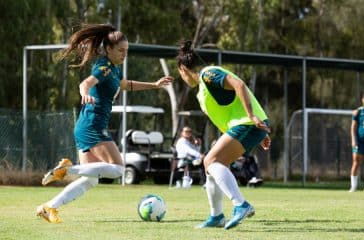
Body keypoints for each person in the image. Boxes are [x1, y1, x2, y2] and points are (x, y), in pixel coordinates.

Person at [36, 23, 173, 223]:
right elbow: (86, 83)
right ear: (108, 49)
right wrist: (84, 94)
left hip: (86, 125)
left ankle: (49, 207)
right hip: (92, 125)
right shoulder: (103, 67)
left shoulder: (114, 69)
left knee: (90, 179)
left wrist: (154, 85)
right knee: (118, 168)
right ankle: (66, 170)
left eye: (126, 51)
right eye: (120, 50)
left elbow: (125, 85)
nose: (124, 54)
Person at [176, 40, 271, 230]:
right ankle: (216, 216)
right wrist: (259, 131)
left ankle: (240, 205)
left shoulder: (208, 74)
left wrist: (252, 117)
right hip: (247, 126)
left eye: (180, 74)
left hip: (246, 123)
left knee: (210, 161)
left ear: (183, 70)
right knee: (211, 166)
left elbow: (239, 85)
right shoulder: (202, 91)